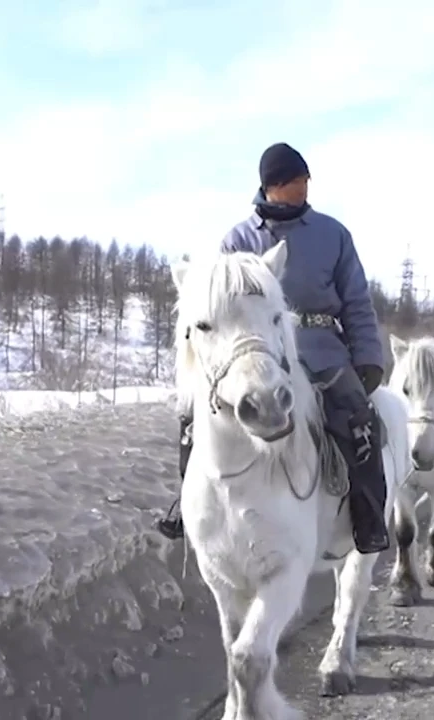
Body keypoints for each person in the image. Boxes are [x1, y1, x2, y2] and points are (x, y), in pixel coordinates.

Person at [155, 142, 391, 555]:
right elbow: (219, 308)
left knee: (360, 418)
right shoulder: (238, 239)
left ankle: (368, 516)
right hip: (252, 356)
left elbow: (356, 300)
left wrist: (368, 356)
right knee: (192, 418)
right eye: (294, 182)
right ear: (272, 186)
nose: (302, 188)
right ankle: (188, 508)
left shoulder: (333, 235)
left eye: (305, 181)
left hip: (322, 350)